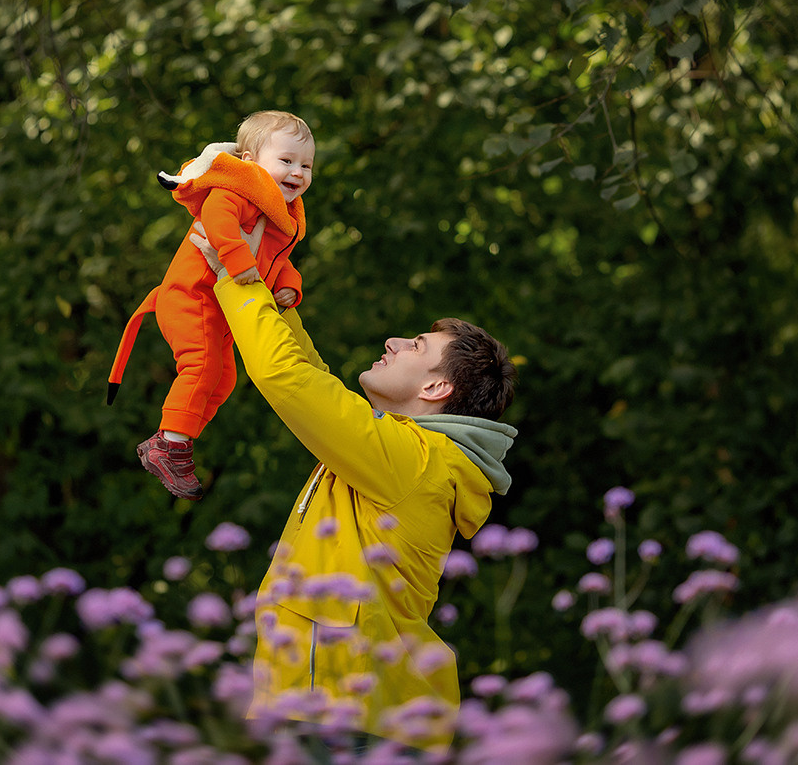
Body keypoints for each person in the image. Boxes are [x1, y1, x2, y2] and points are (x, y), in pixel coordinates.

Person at [188, 220, 518, 754]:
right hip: (347, 714)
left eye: (415, 345)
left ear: (436, 387)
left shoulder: (412, 458)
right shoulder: (395, 450)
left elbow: (286, 378)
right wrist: (268, 285)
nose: (392, 341)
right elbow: (308, 373)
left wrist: (235, 276)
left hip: (342, 718)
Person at [106, 111, 315, 500]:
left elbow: (278, 261)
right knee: (202, 366)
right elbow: (218, 223)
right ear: (250, 162)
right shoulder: (236, 190)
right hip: (191, 295)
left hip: (218, 311)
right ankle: (172, 444)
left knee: (224, 379)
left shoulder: (279, 215)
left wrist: (290, 286)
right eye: (286, 161)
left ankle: (170, 439)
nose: (298, 172)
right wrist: (238, 261)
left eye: (306, 165)